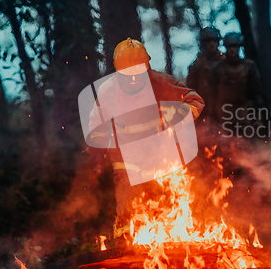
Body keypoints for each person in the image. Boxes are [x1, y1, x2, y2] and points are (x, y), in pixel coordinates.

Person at [85, 38, 204, 229]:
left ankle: (166, 255)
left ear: (147, 67)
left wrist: (179, 117)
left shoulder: (161, 83)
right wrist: (99, 157)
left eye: (138, 71)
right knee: (127, 217)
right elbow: (95, 130)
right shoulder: (107, 92)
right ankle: (124, 251)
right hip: (127, 164)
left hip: (161, 160)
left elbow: (195, 100)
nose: (133, 78)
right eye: (127, 73)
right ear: (117, 71)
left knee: (167, 215)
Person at [210, 32, 265, 134]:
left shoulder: (249, 66)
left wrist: (259, 117)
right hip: (223, 111)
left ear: (239, 47)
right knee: (224, 144)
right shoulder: (217, 68)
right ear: (226, 47)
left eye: (235, 46)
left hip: (243, 110)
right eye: (230, 46)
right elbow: (212, 94)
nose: (232, 49)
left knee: (245, 143)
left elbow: (257, 93)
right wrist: (212, 117)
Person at [186, 27, 222, 123]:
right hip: (205, 110)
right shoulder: (197, 65)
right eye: (208, 41)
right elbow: (191, 88)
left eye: (214, 40)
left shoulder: (226, 62)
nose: (212, 44)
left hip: (225, 108)